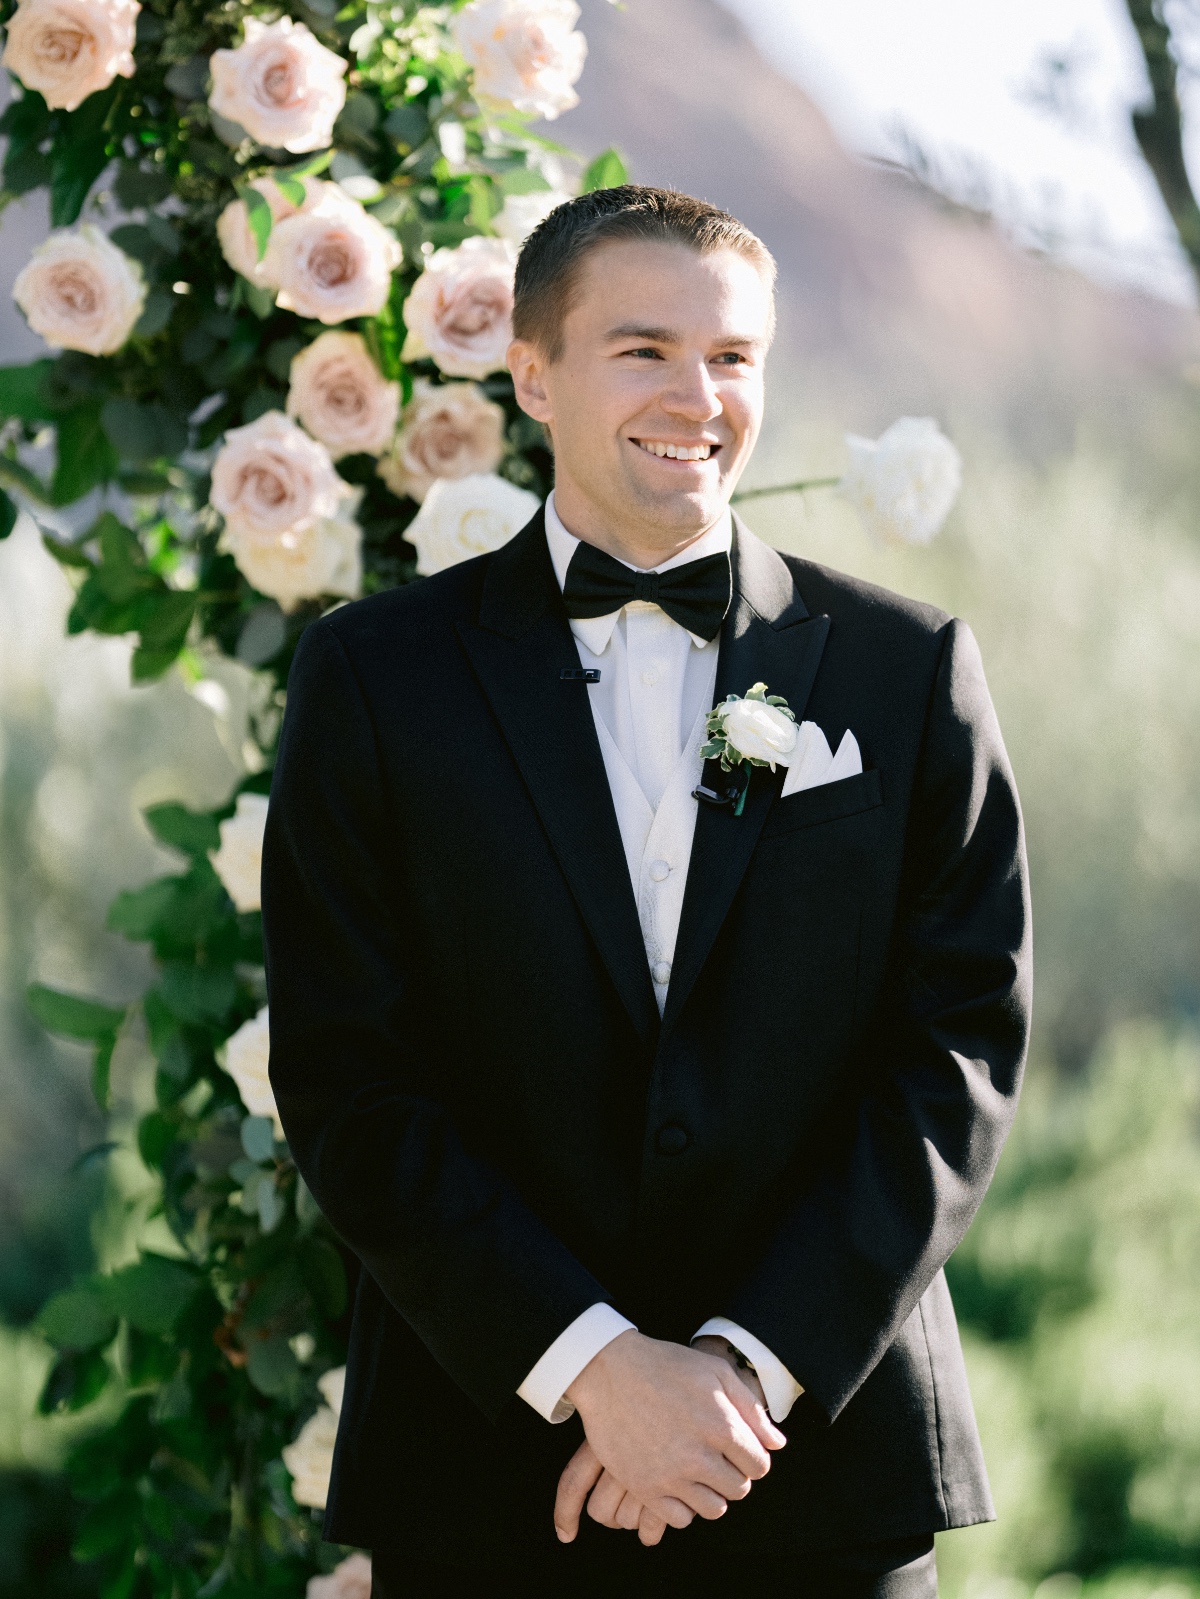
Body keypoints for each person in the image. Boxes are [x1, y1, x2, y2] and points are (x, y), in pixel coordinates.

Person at [262, 185, 1032, 1599]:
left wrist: (743, 1369)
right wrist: (594, 1365)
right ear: (532, 370)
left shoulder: (903, 672)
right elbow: (348, 1076)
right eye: (645, 350)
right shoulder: (375, 680)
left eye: (733, 357)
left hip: (820, 1470)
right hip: (490, 1473)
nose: (699, 395)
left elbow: (959, 1054)